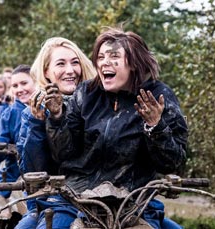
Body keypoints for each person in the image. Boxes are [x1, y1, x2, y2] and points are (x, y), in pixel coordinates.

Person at [41, 27, 188, 228]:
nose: (104, 63)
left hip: (135, 202)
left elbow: (174, 163)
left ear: (134, 63)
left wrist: (156, 126)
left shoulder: (158, 96)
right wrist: (57, 117)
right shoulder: (86, 93)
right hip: (77, 199)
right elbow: (63, 154)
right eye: (100, 57)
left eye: (114, 56)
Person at [15, 37, 96, 229]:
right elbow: (32, 170)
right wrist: (37, 123)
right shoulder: (33, 111)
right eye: (61, 64)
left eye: (75, 62)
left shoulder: (97, 103)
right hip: (53, 200)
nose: (70, 70)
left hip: (99, 199)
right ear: (46, 73)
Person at [0, 64, 36, 198]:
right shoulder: (9, 114)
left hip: (48, 179)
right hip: (13, 176)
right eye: (15, 86)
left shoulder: (52, 109)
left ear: (37, 81)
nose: (19, 89)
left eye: (24, 83)